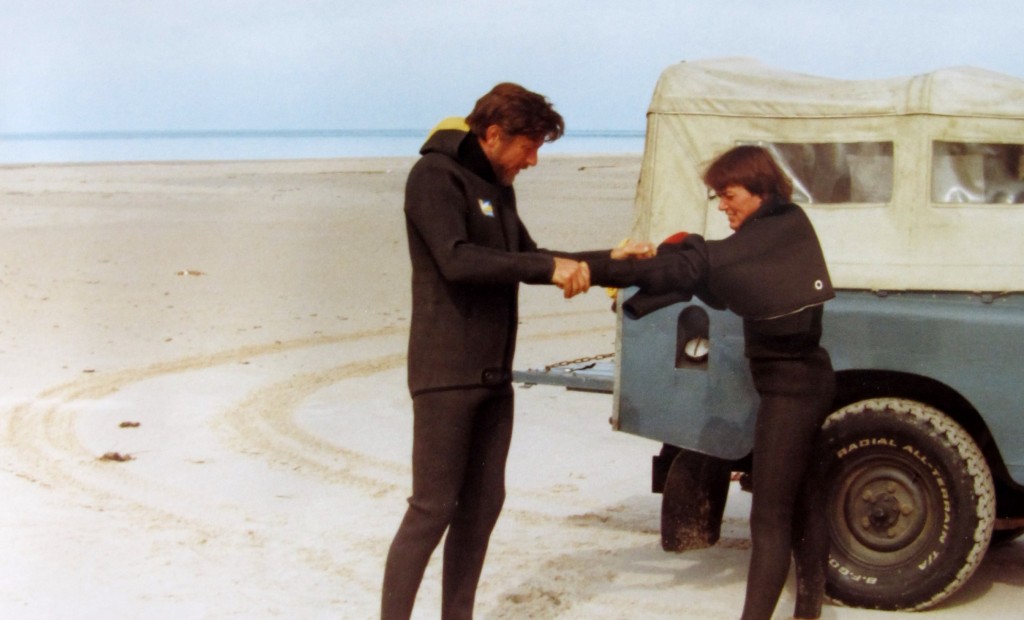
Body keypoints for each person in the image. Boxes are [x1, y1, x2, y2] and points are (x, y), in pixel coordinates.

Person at [570, 145, 836, 620]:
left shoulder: (769, 235)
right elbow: (701, 272)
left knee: (770, 520)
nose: (723, 205)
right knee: (807, 502)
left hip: (793, 393)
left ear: (759, 190)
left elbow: (701, 266)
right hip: (808, 384)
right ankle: (808, 614)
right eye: (717, 197)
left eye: (728, 194)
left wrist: (594, 269)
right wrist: (656, 261)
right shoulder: (782, 226)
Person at [382, 83, 609, 620]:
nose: (532, 161)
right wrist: (545, 267)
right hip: (445, 374)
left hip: (493, 376)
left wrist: (611, 261)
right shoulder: (434, 178)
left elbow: (530, 257)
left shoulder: (496, 185)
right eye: (528, 148)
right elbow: (458, 260)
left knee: (482, 510)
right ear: (492, 134)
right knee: (432, 509)